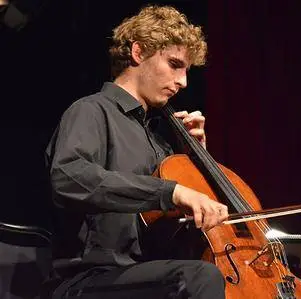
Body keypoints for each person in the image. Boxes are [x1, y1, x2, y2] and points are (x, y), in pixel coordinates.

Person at [45, 5, 229, 299]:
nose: (183, 81)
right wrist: (172, 192)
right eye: (174, 64)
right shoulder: (91, 111)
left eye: (186, 70)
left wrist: (199, 163)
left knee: (200, 273)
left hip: (145, 276)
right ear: (139, 52)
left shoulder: (160, 143)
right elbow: (69, 177)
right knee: (197, 277)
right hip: (88, 279)